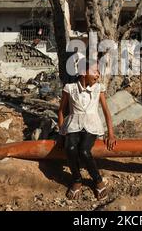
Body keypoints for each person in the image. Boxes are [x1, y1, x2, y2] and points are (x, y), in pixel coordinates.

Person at [57, 60, 117, 201]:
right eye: (95, 71)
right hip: (73, 125)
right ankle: (77, 180)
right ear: (84, 73)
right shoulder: (69, 88)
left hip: (91, 125)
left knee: (84, 151)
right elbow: (60, 111)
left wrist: (111, 134)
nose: (98, 74)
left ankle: (98, 180)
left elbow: (107, 112)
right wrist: (61, 132)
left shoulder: (98, 88)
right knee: (70, 147)